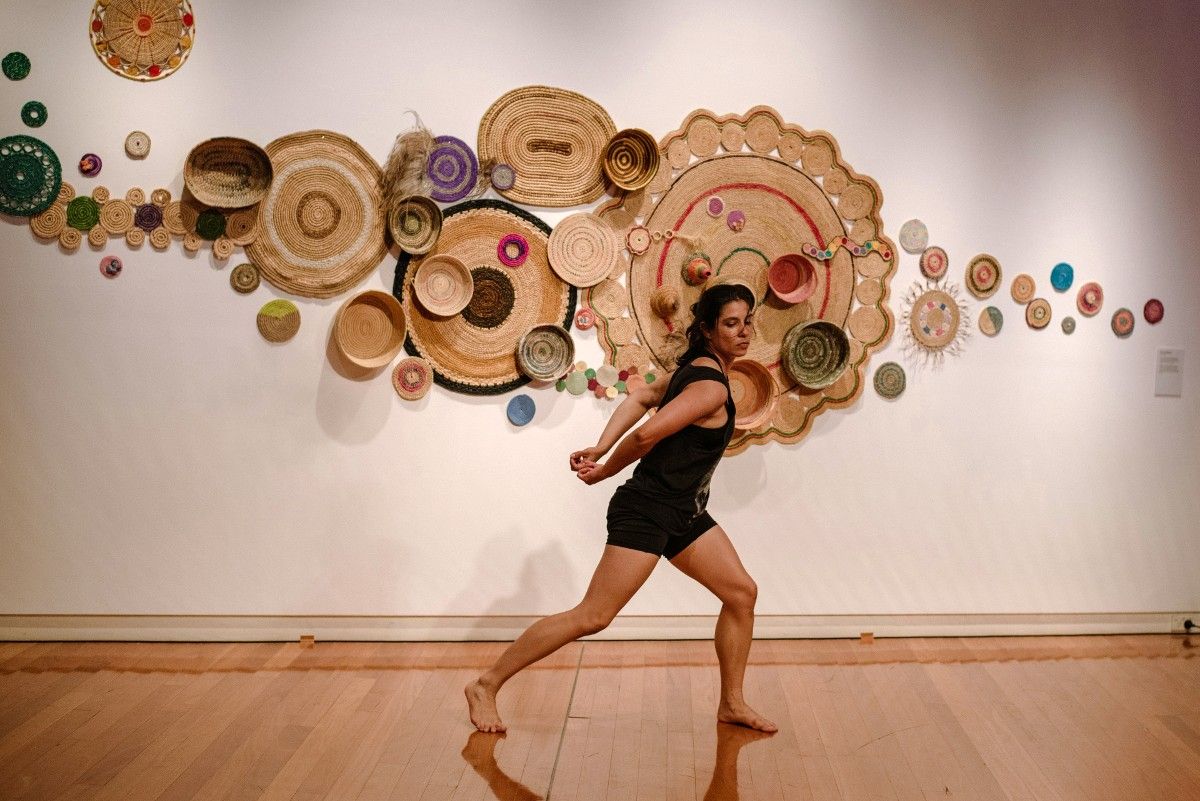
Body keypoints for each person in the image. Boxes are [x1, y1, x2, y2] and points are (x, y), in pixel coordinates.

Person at [465, 282, 776, 734]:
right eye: (732, 323)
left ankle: (731, 702)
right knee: (593, 615)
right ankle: (485, 685)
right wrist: (606, 466)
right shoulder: (708, 386)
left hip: (683, 513)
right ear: (708, 330)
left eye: (747, 321)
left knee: (741, 593)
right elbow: (649, 435)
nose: (744, 331)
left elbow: (641, 397)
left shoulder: (697, 369)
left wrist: (599, 446)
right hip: (648, 509)